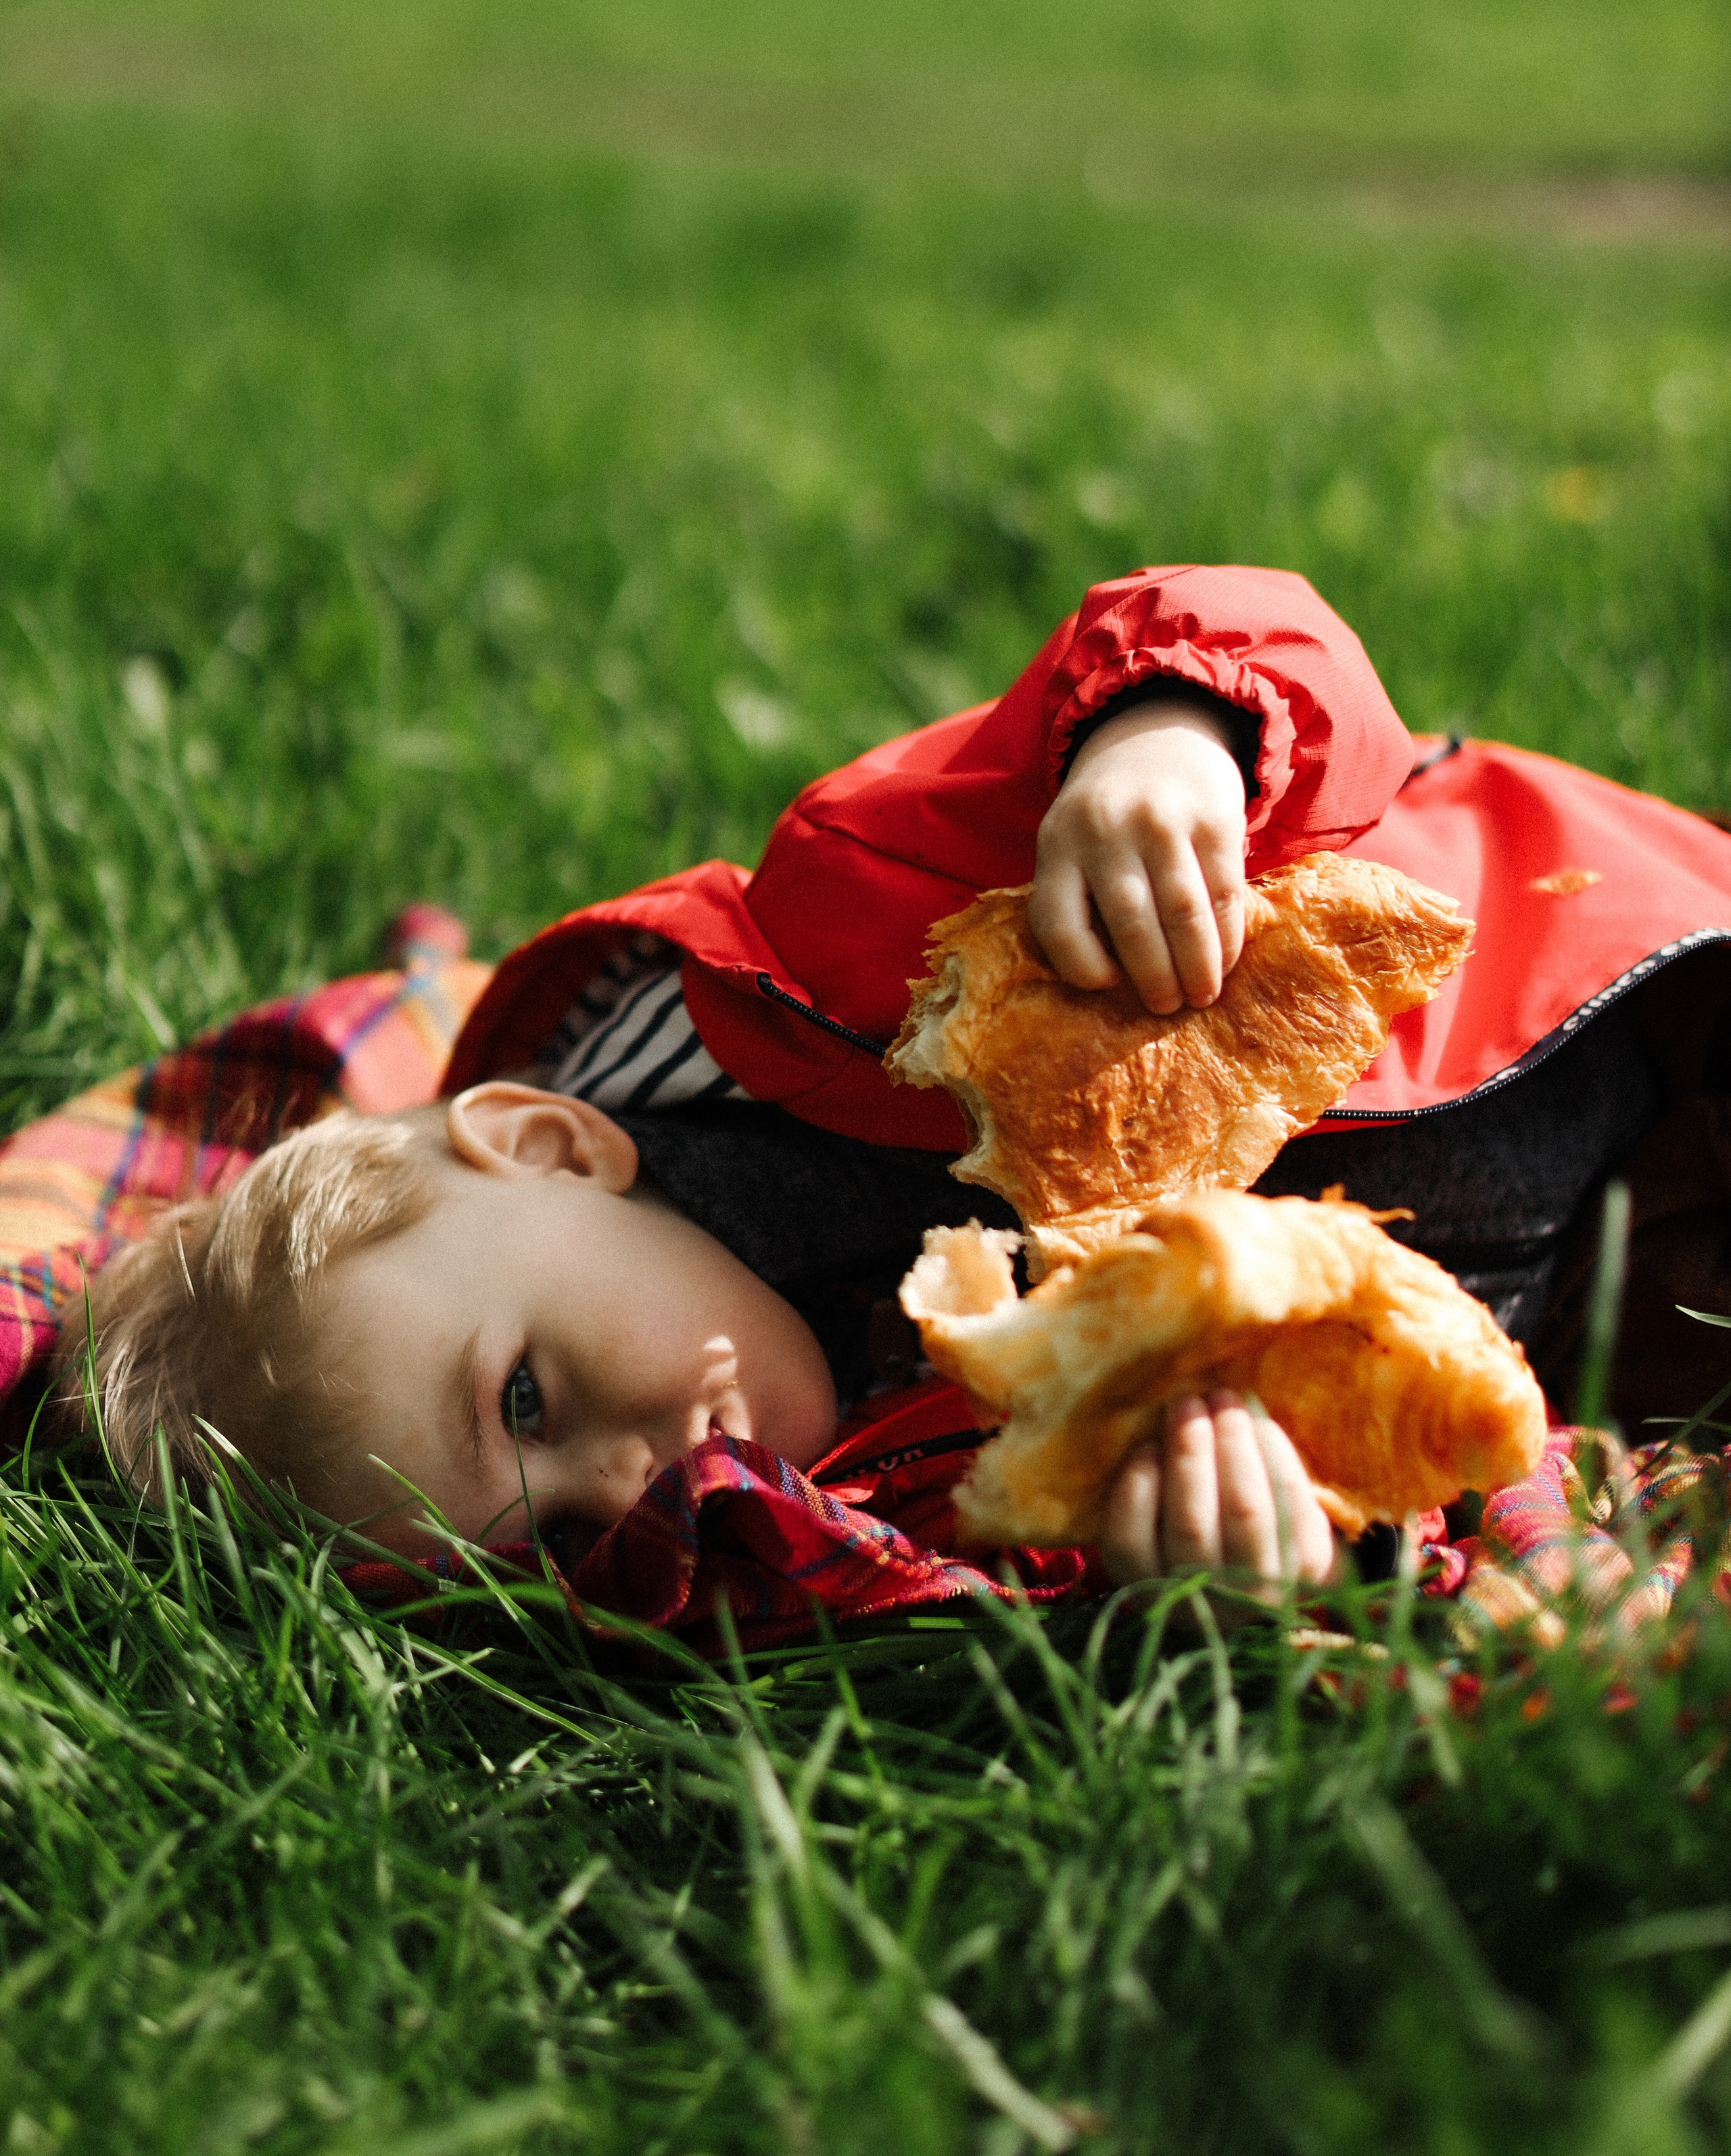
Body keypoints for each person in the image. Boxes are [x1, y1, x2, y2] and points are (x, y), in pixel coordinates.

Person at [59, 563, 1731, 1603]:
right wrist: (1205, 1554)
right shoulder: (843, 1495)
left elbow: (1239, 621)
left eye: (527, 1403)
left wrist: (1159, 744)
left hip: (1598, 954)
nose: (624, 1483)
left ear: (548, 1142)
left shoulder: (842, 937)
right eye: (553, 1541)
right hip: (1623, 1265)